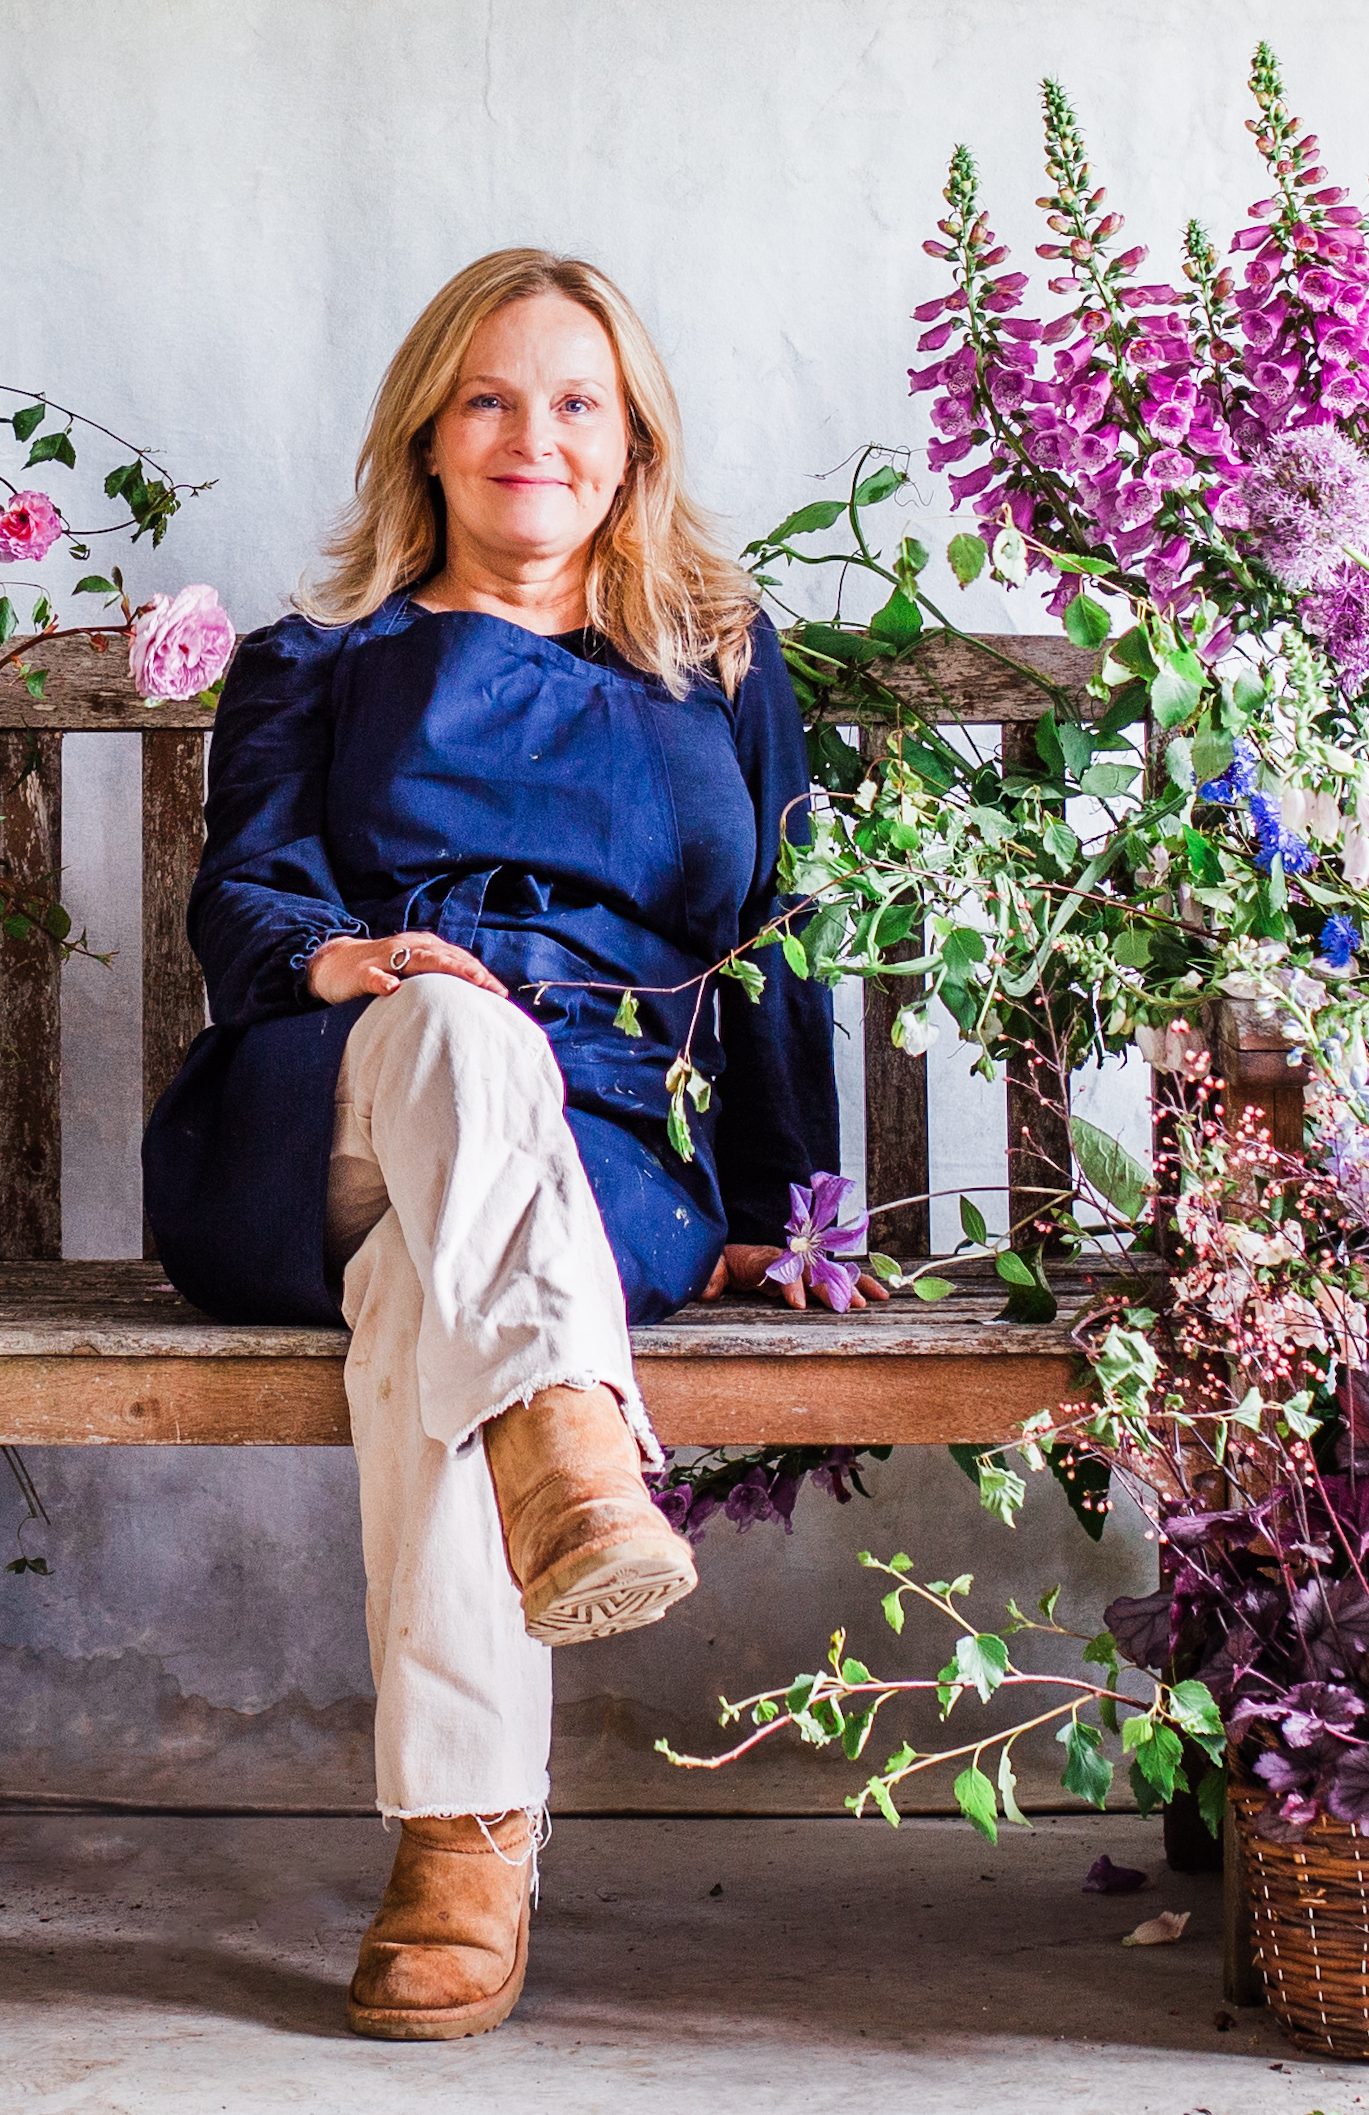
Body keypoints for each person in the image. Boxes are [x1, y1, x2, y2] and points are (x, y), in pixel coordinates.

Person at [141, 246, 874, 2042]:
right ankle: (568, 1441)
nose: (527, 433)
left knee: (431, 1296)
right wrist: (351, 956)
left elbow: (781, 939)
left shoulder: (722, 671)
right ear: (427, 437)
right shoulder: (313, 664)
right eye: (487, 397)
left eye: (572, 403)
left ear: (629, 449)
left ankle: (462, 1844)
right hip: (324, 1109)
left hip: (603, 1147)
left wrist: (798, 1214)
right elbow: (237, 896)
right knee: (461, 1035)